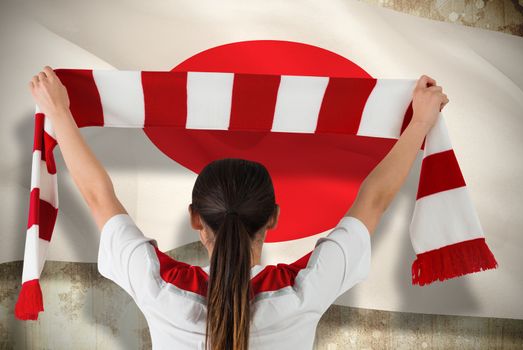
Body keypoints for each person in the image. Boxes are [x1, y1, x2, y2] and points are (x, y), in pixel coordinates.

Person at [28, 66, 448, 350]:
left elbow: (100, 197)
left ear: (195, 218)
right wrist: (420, 123)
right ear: (274, 217)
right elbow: (372, 199)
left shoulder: (162, 289)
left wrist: (60, 112)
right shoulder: (302, 290)